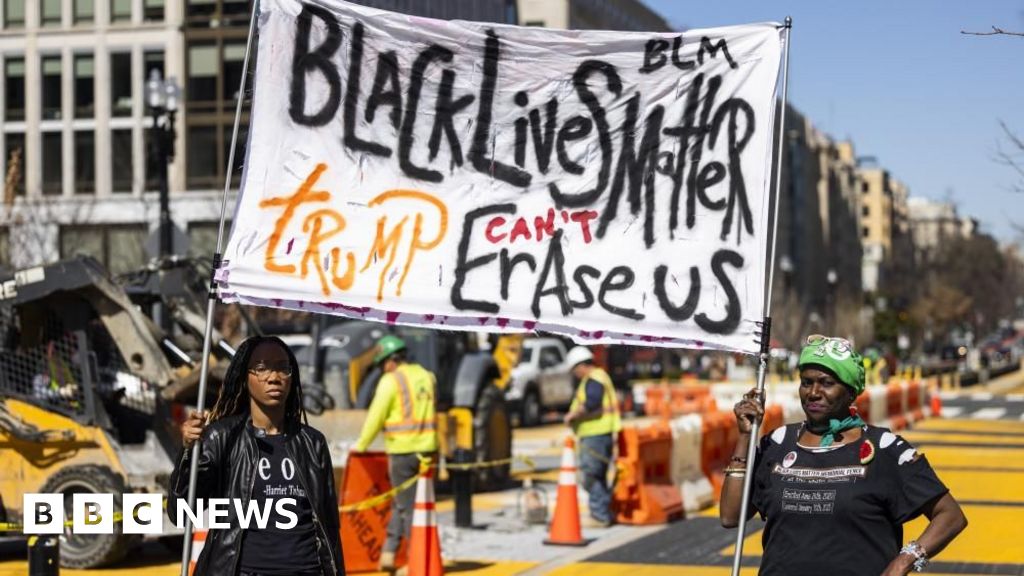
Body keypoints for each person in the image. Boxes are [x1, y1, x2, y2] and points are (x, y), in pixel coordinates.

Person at [721, 334, 967, 576]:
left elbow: (950, 516)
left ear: (851, 392)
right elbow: (731, 516)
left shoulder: (884, 448)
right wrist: (745, 437)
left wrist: (903, 562)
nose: (813, 392)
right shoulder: (777, 443)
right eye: (806, 382)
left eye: (827, 383)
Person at [170, 336, 345, 576]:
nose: (274, 378)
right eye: (261, 369)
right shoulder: (221, 437)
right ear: (245, 378)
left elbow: (330, 528)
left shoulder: (312, 442)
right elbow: (180, 513)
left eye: (283, 368)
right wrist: (189, 452)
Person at [352, 335, 438, 571]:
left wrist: (361, 446)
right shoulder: (427, 376)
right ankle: (389, 554)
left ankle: (416, 561)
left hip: (403, 452)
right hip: (428, 451)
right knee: (408, 504)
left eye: (381, 365)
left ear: (390, 361)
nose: (382, 370)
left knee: (410, 509)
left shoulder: (391, 381)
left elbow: (375, 417)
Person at [563, 346, 622, 527]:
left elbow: (592, 403)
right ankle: (604, 512)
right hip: (600, 434)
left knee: (590, 476)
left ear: (581, 366)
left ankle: (599, 514)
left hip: (595, 435)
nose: (575, 374)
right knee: (599, 475)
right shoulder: (600, 377)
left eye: (575, 369)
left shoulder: (594, 379)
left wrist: (572, 416)